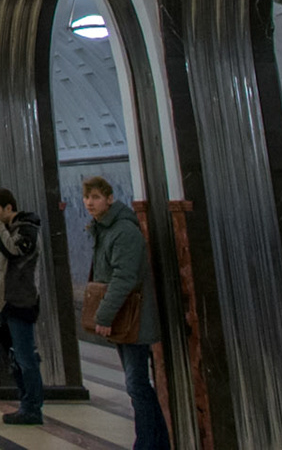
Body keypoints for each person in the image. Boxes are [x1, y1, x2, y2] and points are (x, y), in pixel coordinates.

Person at [83, 178, 170, 450]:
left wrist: (104, 316)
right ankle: (156, 443)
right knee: (137, 385)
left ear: (109, 199)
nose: (89, 203)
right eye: (86, 198)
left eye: (96, 197)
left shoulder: (123, 231)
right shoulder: (103, 229)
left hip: (133, 319)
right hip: (124, 317)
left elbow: (124, 278)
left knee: (137, 384)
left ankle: (148, 444)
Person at [0, 188, 44, 427]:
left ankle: (32, 407)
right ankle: (25, 402)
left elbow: (13, 251)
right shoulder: (8, 229)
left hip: (21, 301)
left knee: (26, 357)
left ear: (9, 208)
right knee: (16, 356)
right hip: (7, 302)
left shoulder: (26, 229)